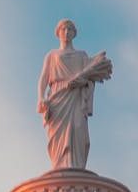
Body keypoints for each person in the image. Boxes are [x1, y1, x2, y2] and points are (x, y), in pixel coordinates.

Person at [37, 19, 112, 170]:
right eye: (63, 29)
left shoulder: (81, 55)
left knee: (78, 130)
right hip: (57, 97)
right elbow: (43, 79)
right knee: (58, 135)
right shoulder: (52, 55)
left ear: (74, 33)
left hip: (76, 97)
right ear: (58, 33)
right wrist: (41, 97)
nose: (66, 32)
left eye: (70, 29)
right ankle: (59, 168)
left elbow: (91, 77)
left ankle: (76, 167)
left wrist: (81, 81)